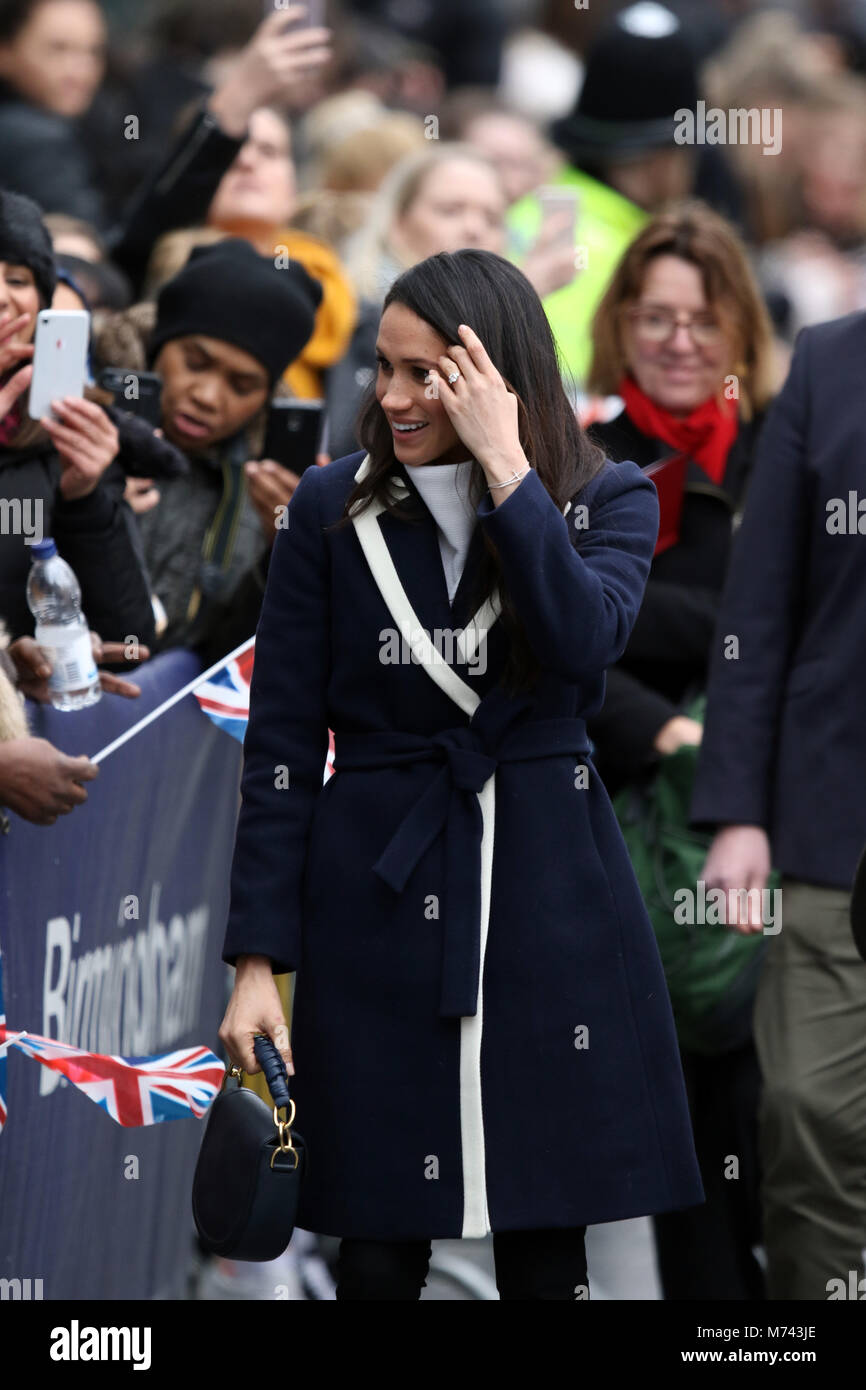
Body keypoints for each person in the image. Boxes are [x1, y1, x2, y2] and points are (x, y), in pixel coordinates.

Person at [218, 247, 704, 1301]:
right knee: (378, 1241)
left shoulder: (605, 496)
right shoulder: (324, 510)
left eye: (423, 373)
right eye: (383, 369)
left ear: (494, 376)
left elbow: (581, 646)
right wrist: (256, 959)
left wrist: (506, 473)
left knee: (543, 1237)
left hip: (547, 885)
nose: (391, 396)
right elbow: (284, 747)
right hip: (379, 891)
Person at [585, 201, 777, 1301]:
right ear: (618, 325)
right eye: (652, 317)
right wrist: (659, 721)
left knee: (779, 1108)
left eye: (699, 320)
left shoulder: (778, 459)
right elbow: (556, 637)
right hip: (631, 822)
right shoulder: (581, 461)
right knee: (690, 1130)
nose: (675, 340)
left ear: (736, 330)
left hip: (772, 822)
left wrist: (659, 623)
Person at [690, 306, 866, 1301]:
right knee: (807, 1111)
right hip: (827, 822)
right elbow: (756, 604)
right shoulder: (831, 361)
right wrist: (737, 809)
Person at [112, 238, 322, 654]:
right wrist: (87, 504)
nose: (207, 395)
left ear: (266, 396)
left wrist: (286, 554)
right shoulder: (81, 425)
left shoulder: (264, 483)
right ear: (158, 344)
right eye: (194, 362)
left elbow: (232, 656)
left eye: (241, 385)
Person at [0, 190, 155, 648]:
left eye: (17, 278)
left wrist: (85, 499)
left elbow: (129, 640)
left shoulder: (70, 425)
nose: (2, 297)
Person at [0, 0, 108, 224]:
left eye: (93, 52)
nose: (81, 72)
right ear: (5, 51)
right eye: (58, 49)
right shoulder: (37, 137)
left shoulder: (92, 120)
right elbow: (89, 239)